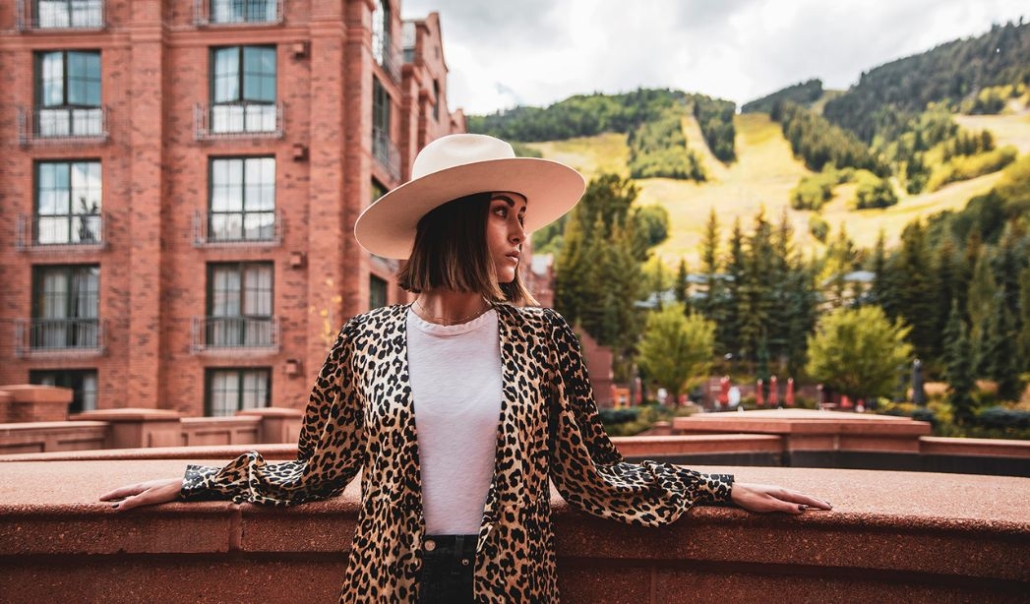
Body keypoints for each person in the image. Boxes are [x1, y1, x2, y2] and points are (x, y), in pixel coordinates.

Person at [101, 134, 831, 603]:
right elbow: (314, 472)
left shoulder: (542, 338)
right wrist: (191, 482)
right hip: (389, 588)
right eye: (503, 212)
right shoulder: (368, 341)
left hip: (510, 587)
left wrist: (725, 489)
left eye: (523, 214)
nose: (521, 233)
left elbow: (595, 475)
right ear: (456, 220)